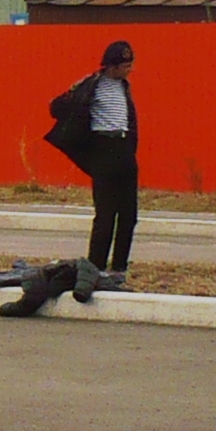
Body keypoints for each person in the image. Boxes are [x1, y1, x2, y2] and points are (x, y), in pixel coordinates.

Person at [47, 40, 138, 276]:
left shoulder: (124, 87)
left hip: (124, 150)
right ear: (112, 66)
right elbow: (55, 109)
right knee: (106, 213)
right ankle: (95, 266)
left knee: (128, 214)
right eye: (125, 66)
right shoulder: (91, 85)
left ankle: (119, 267)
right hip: (103, 149)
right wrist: (71, 94)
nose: (130, 70)